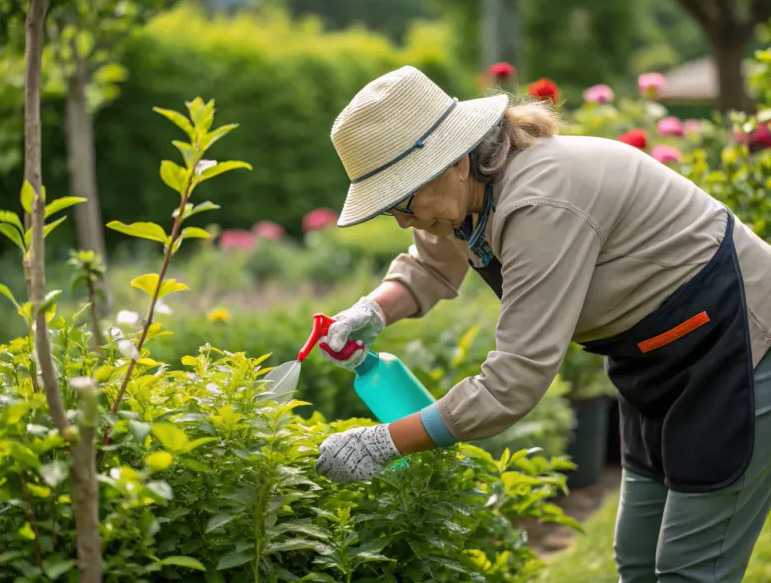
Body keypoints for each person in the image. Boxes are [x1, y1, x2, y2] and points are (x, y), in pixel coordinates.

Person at [312, 65, 771, 582]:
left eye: (402, 202)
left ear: (454, 162)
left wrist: (384, 443)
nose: (400, 220)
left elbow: (515, 380)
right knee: (639, 561)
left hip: (736, 344)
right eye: (387, 209)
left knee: (692, 570)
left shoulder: (538, 201)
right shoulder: (461, 196)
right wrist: (372, 309)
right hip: (654, 360)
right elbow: (430, 266)